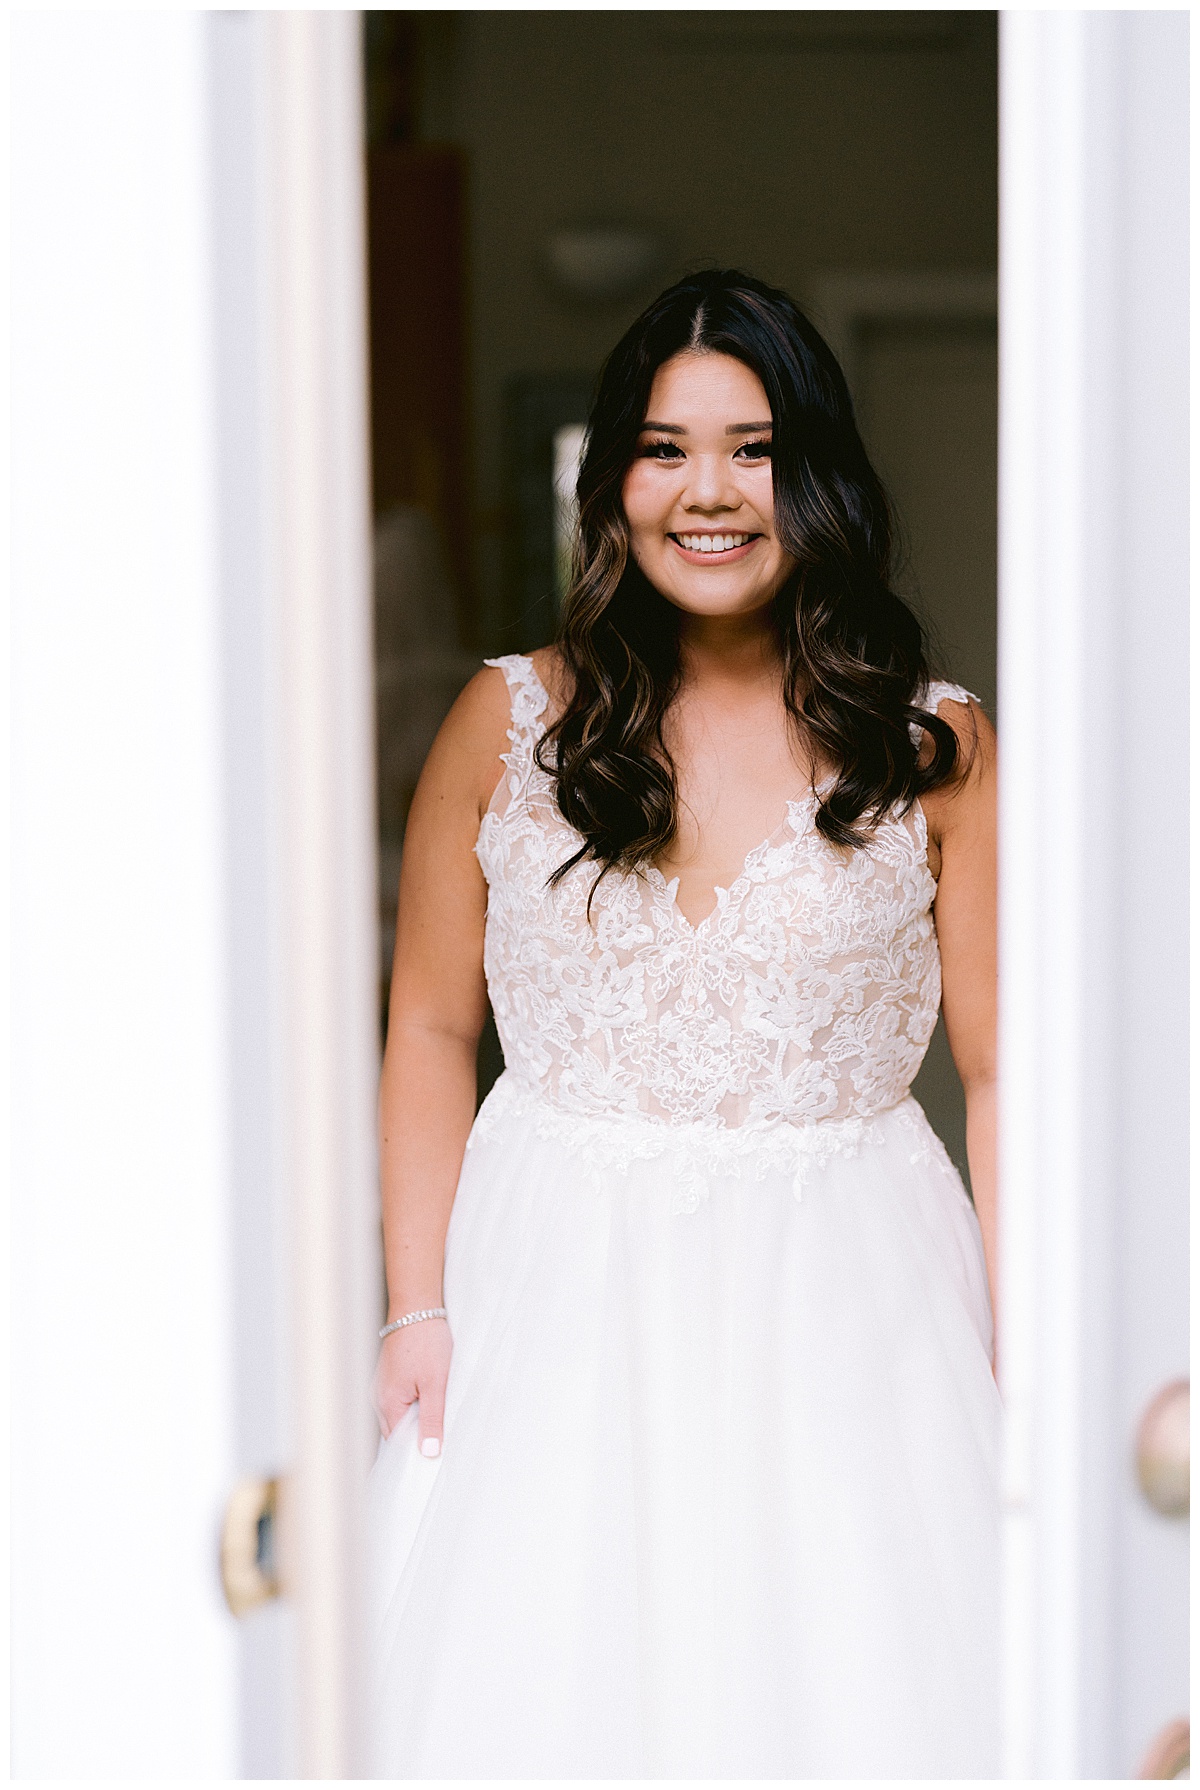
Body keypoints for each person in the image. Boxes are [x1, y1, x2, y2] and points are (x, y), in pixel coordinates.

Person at [368, 269, 1000, 1778]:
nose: (705, 491)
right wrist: (417, 1310)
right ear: (614, 481)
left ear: (818, 477)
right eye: (663, 447)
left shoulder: (936, 742)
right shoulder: (508, 720)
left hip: (855, 1301)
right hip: (556, 1296)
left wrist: (1028, 1351)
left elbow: (1003, 1066)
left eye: (753, 446)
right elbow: (428, 1030)